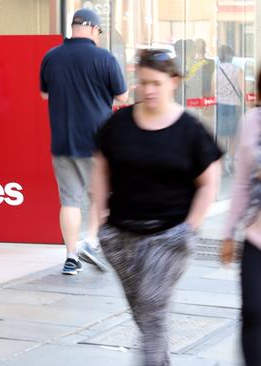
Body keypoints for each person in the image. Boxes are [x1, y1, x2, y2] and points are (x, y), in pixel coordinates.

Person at [93, 49, 222, 365]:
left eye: (156, 83)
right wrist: (99, 220)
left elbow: (210, 181)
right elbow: (100, 167)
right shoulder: (118, 124)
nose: (148, 90)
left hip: (169, 236)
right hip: (120, 237)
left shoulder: (189, 130)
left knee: (151, 306)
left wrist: (190, 229)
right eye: (142, 83)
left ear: (174, 82)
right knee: (145, 312)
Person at [39, 8, 128, 275]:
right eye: (99, 32)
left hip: (63, 140)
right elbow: (122, 97)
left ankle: (71, 257)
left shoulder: (51, 57)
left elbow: (44, 94)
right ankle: (90, 241)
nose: (99, 36)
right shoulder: (104, 59)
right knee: (100, 196)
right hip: (97, 141)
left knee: (69, 201)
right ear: (91, 28)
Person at [221, 69, 261, 366]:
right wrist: (228, 232)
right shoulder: (252, 122)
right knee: (252, 311)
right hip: (256, 237)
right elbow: (242, 183)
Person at [215, 45, 244, 173]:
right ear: (231, 56)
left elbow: (212, 90)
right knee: (233, 136)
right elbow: (242, 89)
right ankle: (231, 162)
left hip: (220, 105)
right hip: (234, 105)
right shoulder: (237, 70)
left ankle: (220, 164)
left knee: (221, 136)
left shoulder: (216, 70)